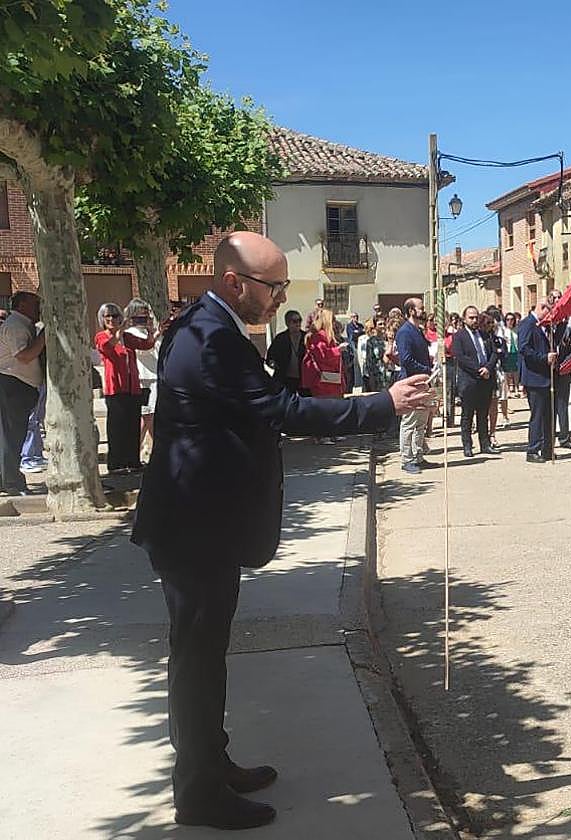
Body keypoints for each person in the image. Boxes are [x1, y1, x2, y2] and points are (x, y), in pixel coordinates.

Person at [130, 232, 430, 830]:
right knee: (196, 662)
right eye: (274, 287)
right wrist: (381, 404)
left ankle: (210, 764)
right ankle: (198, 794)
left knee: (205, 657)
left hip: (203, 523)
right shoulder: (211, 338)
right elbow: (283, 412)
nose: (280, 298)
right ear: (234, 282)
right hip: (195, 527)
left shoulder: (206, 327)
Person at [95, 302, 158, 473]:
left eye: (115, 316)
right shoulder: (102, 336)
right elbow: (107, 348)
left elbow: (146, 344)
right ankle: (116, 464)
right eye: (107, 316)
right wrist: (119, 332)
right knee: (117, 427)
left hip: (132, 387)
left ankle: (133, 461)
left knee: (132, 425)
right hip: (115, 388)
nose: (111, 319)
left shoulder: (128, 338)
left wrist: (153, 331)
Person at [518, 298, 571, 462]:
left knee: (549, 416)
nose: (551, 316)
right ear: (542, 308)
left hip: (548, 378)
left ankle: (547, 449)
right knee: (538, 415)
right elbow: (524, 348)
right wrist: (544, 358)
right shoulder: (528, 324)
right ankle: (533, 450)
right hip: (535, 377)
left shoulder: (546, 326)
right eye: (550, 311)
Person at [0, 291, 46, 495]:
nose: (39, 308)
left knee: (13, 435)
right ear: (23, 305)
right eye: (36, 303)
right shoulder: (15, 326)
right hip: (13, 385)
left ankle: (8, 479)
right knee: (12, 436)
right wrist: (44, 337)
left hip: (21, 386)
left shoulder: (24, 324)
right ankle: (11, 482)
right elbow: (24, 356)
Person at [452, 306, 500, 459]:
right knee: (467, 415)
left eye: (475, 317)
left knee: (483, 414)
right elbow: (460, 356)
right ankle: (467, 445)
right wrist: (478, 369)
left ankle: (485, 443)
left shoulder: (485, 334)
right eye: (470, 318)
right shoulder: (459, 336)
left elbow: (494, 353)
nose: (474, 320)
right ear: (464, 319)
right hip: (469, 381)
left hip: (485, 380)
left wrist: (488, 368)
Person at [395, 298, 434, 473]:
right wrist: (425, 369)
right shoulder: (404, 332)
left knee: (421, 422)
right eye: (421, 308)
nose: (423, 311)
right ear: (411, 310)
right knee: (410, 422)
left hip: (423, 382)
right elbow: (406, 359)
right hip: (411, 382)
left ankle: (418, 455)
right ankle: (407, 458)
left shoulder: (418, 330)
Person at [125, 298, 164, 463]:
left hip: (156, 376)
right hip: (144, 379)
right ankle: (155, 450)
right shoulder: (131, 334)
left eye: (146, 315)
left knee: (149, 417)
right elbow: (144, 350)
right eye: (140, 316)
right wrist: (153, 334)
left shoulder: (151, 331)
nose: (145, 319)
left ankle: (136, 451)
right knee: (148, 416)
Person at [499, 311, 521, 401]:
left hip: (515, 351)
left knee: (516, 370)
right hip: (507, 352)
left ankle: (516, 388)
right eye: (508, 319)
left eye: (512, 319)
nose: (510, 321)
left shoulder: (517, 330)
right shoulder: (504, 330)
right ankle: (508, 389)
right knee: (508, 371)